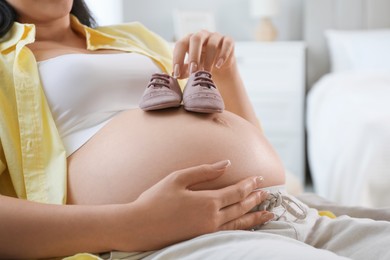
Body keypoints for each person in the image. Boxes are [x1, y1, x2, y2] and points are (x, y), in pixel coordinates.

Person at [1, 1, 390, 260]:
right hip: (175, 239)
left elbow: (247, 140)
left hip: (281, 210)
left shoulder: (134, 39)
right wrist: (133, 224)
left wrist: (224, 70)